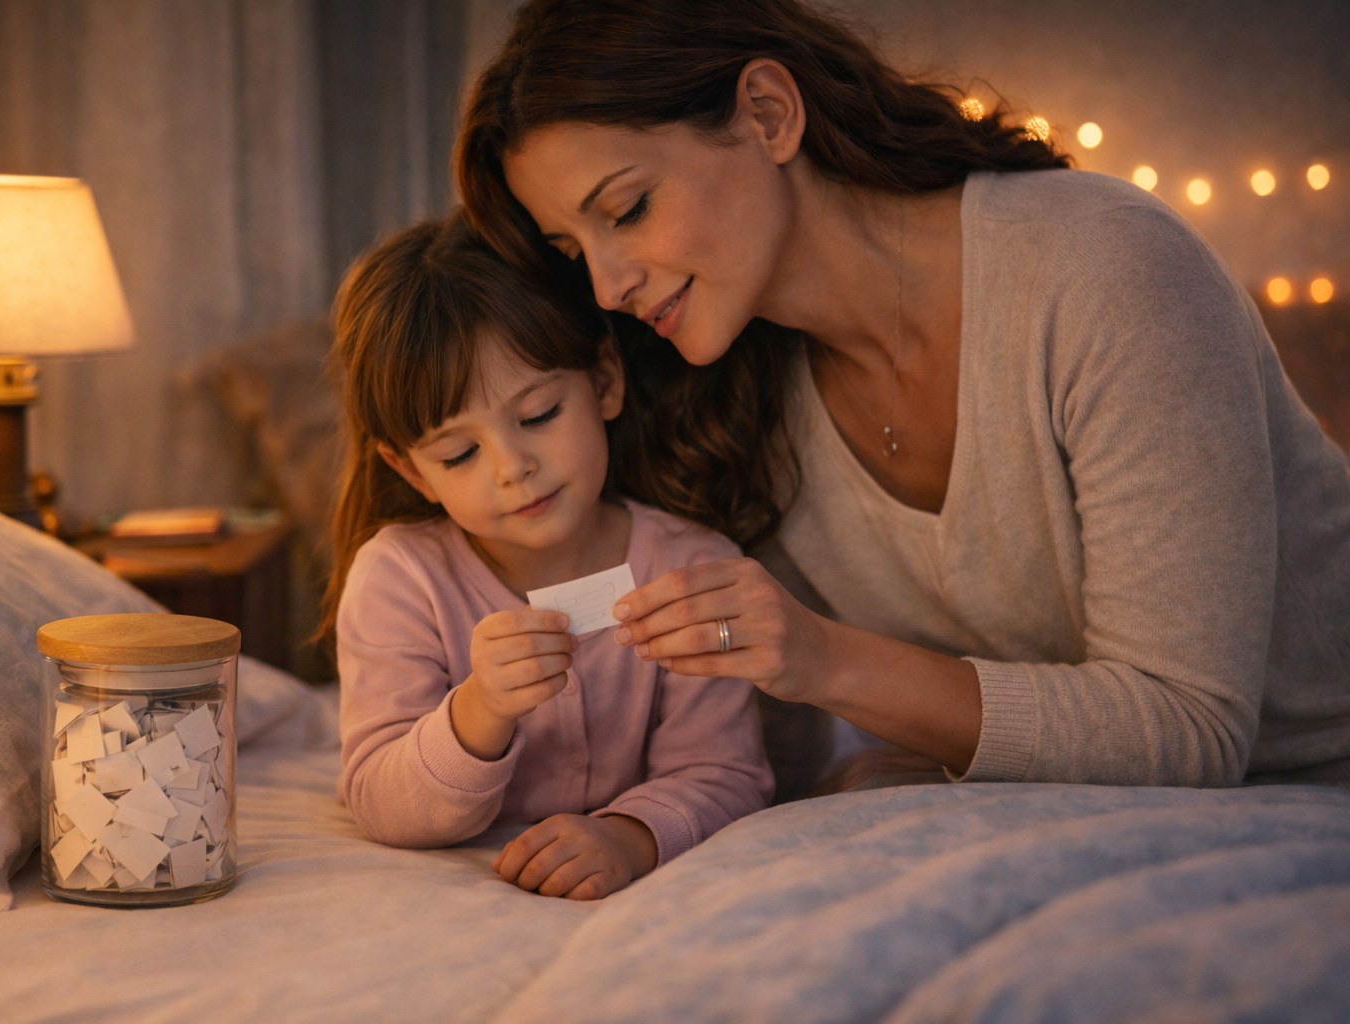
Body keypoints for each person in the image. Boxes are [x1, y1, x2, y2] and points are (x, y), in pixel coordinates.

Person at [455, 0, 1350, 790]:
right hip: (1098, 815)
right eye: (573, 253)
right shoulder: (732, 408)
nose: (607, 286)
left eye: (627, 210)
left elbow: (1191, 729)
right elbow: (763, 753)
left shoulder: (1106, 272)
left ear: (767, 114)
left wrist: (829, 660)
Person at [324, 210, 773, 901]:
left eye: (538, 416)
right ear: (413, 472)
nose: (513, 468)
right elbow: (380, 800)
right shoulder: (400, 579)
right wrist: (479, 710)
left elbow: (727, 774)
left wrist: (630, 836)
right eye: (460, 453)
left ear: (604, 381)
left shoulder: (691, 570)